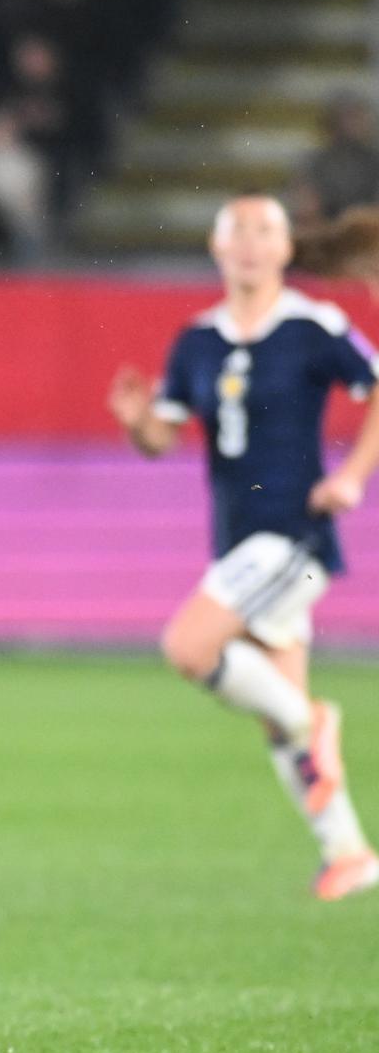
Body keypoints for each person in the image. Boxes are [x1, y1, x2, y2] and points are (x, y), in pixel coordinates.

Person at [109, 193, 379, 902]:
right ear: (217, 247)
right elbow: (164, 436)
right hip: (236, 544)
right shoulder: (197, 340)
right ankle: (349, 852)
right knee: (277, 718)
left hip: (292, 534)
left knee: (189, 648)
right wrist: (140, 424)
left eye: (267, 232)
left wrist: (352, 476)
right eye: (240, 232)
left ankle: (313, 720)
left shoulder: (315, 326)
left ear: (288, 250)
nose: (253, 245)